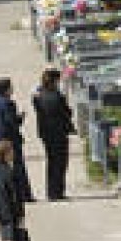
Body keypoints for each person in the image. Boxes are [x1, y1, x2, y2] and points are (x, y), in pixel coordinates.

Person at [0, 77, 36, 203]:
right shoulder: (8, 103)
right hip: (10, 141)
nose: (12, 89)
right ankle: (24, 195)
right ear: (6, 89)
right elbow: (12, 122)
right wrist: (21, 118)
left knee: (3, 167)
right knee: (18, 167)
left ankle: (9, 195)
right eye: (11, 87)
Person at [32, 68, 76, 201]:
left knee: (51, 162)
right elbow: (67, 113)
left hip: (46, 133)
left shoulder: (38, 96)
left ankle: (51, 192)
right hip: (59, 133)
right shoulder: (57, 97)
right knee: (61, 163)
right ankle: (58, 191)